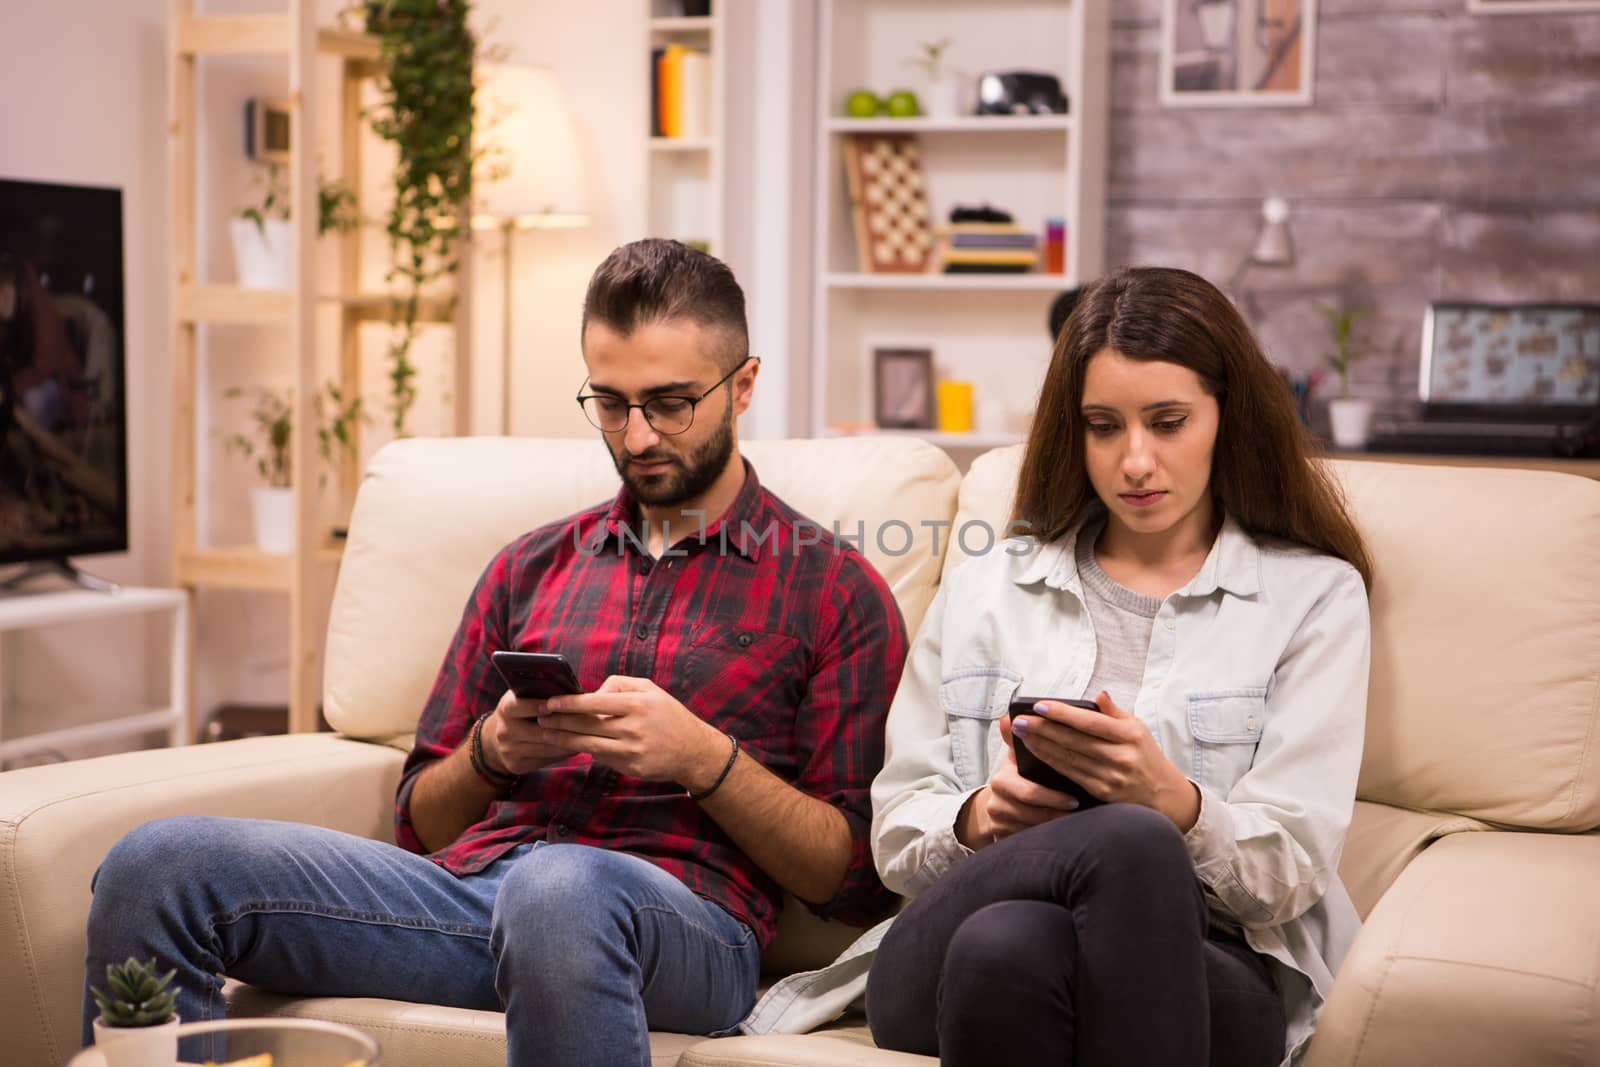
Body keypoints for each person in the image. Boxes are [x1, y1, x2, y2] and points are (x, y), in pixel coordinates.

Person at [84, 239, 906, 1066]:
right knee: (156, 867)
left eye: (671, 403)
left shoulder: (832, 587)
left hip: (686, 925)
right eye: (611, 403)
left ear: (745, 385)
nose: (638, 433)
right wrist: (493, 749)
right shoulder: (531, 564)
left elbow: (852, 875)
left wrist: (704, 758)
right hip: (471, 898)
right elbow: (419, 821)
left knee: (558, 894)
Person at [864, 265, 1373, 1067]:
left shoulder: (1312, 597)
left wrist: (1175, 801)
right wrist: (986, 817)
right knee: (1105, 857)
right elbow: (896, 832)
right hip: (935, 953)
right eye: (1105, 426)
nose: (1135, 460)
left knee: (1021, 940)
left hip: (1208, 965)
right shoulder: (986, 587)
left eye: (1168, 422)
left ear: (1227, 417)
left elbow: (1296, 867)